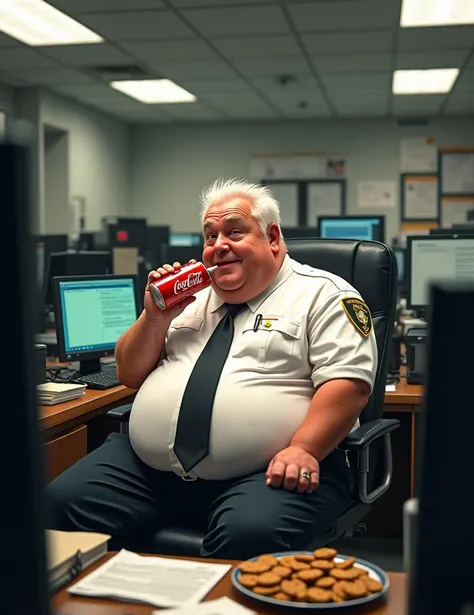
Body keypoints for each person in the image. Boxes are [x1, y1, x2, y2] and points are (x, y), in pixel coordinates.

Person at [48, 178, 377, 559]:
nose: (219, 245)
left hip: (269, 470)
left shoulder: (324, 295)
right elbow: (129, 373)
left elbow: (348, 385)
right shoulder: (187, 297)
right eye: (209, 236)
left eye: (234, 232)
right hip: (149, 470)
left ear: (272, 237)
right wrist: (155, 318)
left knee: (249, 535)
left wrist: (304, 448)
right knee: (58, 505)